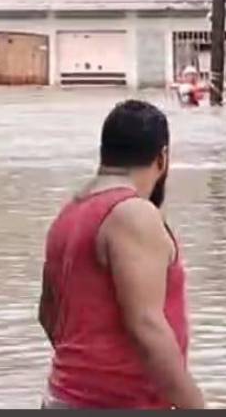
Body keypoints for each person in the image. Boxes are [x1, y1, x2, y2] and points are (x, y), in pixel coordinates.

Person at [38, 99, 205, 409]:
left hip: (64, 398)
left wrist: (86, 373)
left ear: (106, 153)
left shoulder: (69, 214)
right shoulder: (133, 215)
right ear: (162, 158)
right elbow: (146, 325)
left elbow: (47, 315)